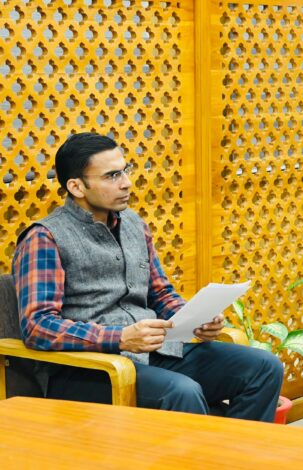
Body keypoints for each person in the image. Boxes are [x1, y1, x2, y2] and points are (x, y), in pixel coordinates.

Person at [12, 132, 284, 421]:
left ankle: (234, 449)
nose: (126, 182)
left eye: (125, 170)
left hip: (156, 352)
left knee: (263, 368)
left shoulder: (133, 224)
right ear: (76, 186)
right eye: (112, 175)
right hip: (89, 370)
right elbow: (38, 326)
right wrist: (120, 338)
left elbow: (160, 294)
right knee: (182, 392)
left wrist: (195, 320)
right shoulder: (44, 238)